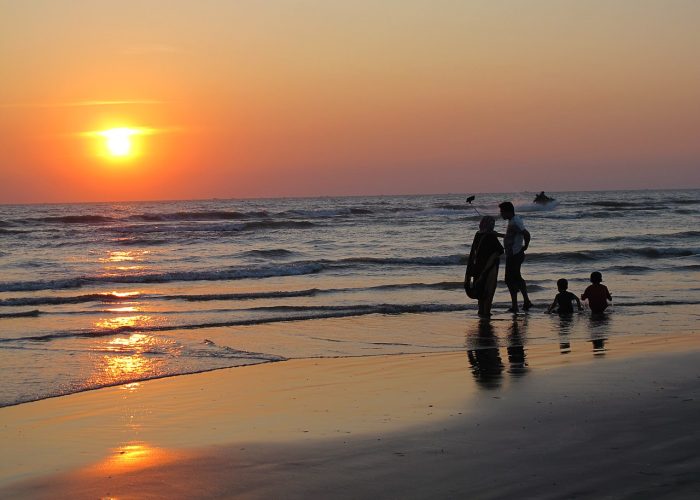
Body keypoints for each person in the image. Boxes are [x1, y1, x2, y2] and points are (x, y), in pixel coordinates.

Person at [464, 215, 504, 317]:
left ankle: (481, 312)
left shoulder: (477, 234)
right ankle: (486, 313)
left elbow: (473, 251)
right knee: (488, 291)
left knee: (480, 291)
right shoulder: (491, 237)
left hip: (478, 266)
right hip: (489, 268)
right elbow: (498, 252)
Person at [498, 201, 532, 313]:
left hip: (514, 255)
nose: (501, 214)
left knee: (509, 280)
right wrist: (496, 234)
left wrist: (525, 246)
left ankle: (515, 306)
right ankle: (526, 302)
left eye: (502, 212)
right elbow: (511, 236)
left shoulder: (514, 223)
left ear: (508, 212)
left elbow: (526, 234)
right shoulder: (514, 220)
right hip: (514, 254)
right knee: (516, 278)